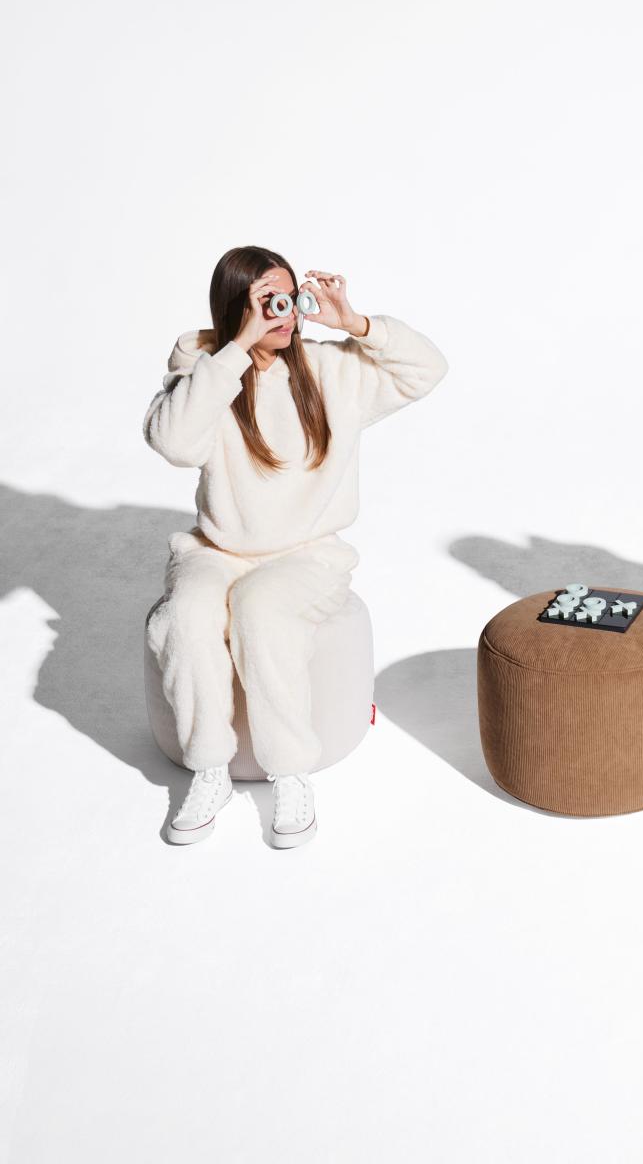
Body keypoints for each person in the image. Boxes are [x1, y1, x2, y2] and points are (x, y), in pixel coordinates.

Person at [143, 245, 448, 847]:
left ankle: (289, 773)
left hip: (306, 554)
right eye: (265, 302)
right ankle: (209, 769)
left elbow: (428, 369)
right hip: (217, 550)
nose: (283, 313)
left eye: (289, 298)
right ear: (235, 307)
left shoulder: (332, 371)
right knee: (184, 615)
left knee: (261, 610)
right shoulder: (205, 371)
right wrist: (237, 347)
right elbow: (174, 443)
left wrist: (354, 322)